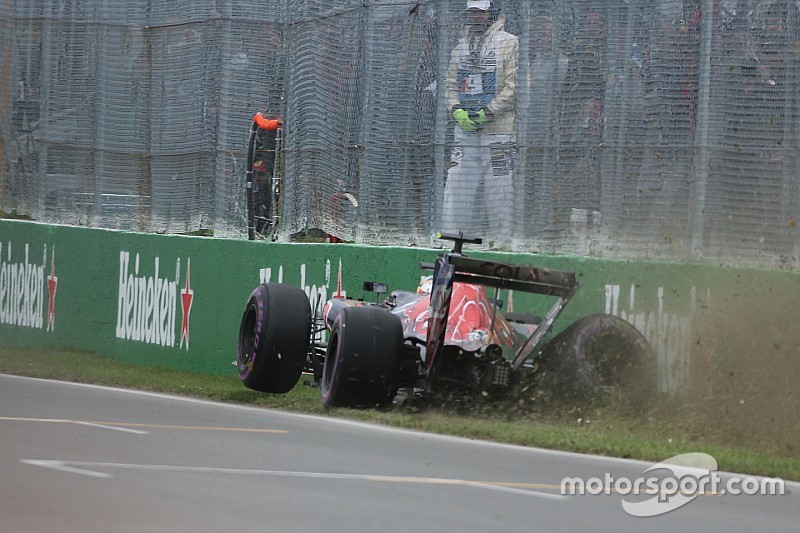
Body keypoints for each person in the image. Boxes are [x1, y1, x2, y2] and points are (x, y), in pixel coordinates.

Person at [442, 0, 518, 244]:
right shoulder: (461, 46)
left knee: (499, 190)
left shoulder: (509, 42)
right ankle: (450, 244)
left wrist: (488, 111)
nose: (475, 17)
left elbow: (515, 85)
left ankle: (501, 244)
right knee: (456, 188)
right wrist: (457, 111)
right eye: (471, 12)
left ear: (492, 13)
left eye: (480, 13)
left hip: (499, 133)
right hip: (466, 133)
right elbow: (450, 86)